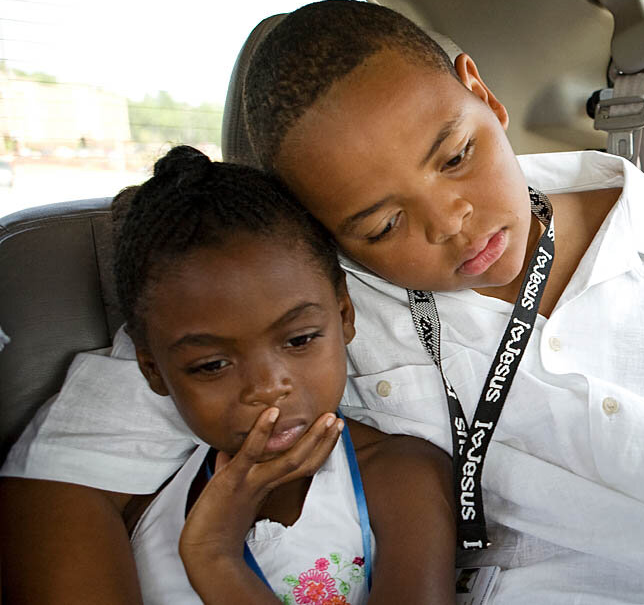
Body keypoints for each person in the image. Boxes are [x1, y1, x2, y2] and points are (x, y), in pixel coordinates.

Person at [1, 1, 644, 604]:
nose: (454, 224)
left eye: (455, 155)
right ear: (322, 240)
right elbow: (67, 483)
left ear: (482, 93)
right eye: (379, 225)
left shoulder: (639, 214)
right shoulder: (298, 314)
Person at [81, 145, 456, 603]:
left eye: (299, 340)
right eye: (212, 366)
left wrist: (214, 557)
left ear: (343, 314)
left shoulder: (401, 479)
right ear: (153, 370)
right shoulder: (144, 504)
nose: (266, 387)